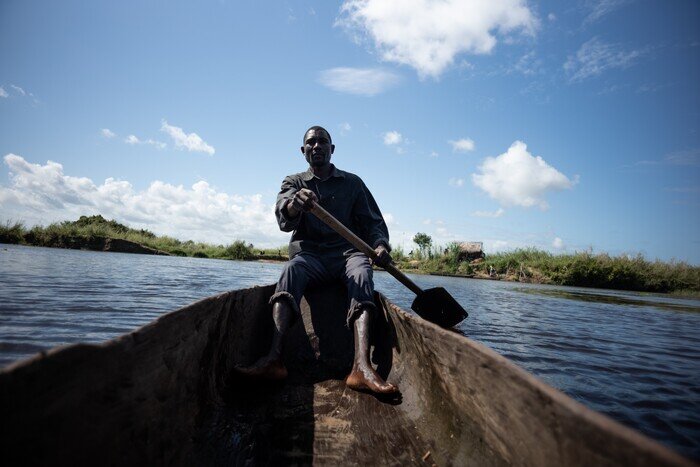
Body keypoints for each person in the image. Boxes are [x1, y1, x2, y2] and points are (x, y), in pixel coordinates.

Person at [237, 125, 397, 394]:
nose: (317, 146)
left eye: (323, 142)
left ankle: (361, 367)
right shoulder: (294, 182)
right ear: (303, 151)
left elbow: (374, 224)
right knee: (290, 271)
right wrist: (295, 204)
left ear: (332, 149)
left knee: (362, 272)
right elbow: (283, 218)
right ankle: (274, 359)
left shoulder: (353, 183)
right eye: (311, 143)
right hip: (310, 257)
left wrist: (380, 245)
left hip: (348, 255)